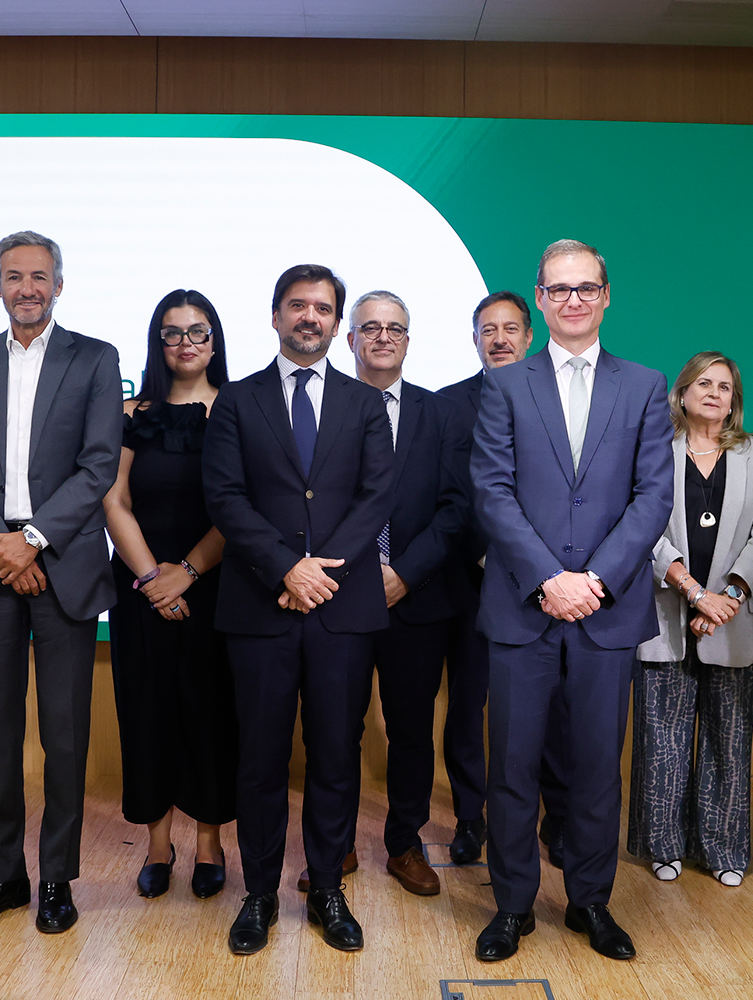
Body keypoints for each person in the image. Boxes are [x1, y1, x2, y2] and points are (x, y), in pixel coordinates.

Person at [470, 240, 675, 963]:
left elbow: (654, 496)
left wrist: (595, 580)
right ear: (540, 298)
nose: (574, 300)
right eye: (559, 289)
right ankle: (512, 907)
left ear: (607, 294)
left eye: (586, 287)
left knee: (595, 769)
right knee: (512, 769)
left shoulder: (645, 385)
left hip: (605, 610)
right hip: (522, 609)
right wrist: (547, 579)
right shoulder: (504, 385)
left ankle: (590, 901)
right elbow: (491, 491)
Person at [0, 231, 123, 934]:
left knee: (65, 739)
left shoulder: (96, 359)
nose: (27, 288)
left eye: (39, 276)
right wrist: (1, 545)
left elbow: (99, 465)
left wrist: (34, 540)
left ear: (59, 285)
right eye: (14, 276)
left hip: (63, 564)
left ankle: (58, 881)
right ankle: (4, 877)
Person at [203, 264, 394, 955]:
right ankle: (258, 894)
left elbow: (377, 496)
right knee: (259, 759)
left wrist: (318, 572)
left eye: (322, 307)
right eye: (297, 305)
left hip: (341, 609)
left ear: (337, 324)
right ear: (276, 315)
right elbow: (224, 497)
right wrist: (286, 567)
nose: (310, 316)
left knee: (336, 755)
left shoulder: (365, 403)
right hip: (261, 606)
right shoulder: (236, 401)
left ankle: (328, 890)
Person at [101, 288, 235, 901]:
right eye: (173, 333)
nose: (186, 343)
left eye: (198, 331)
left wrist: (188, 571)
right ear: (158, 343)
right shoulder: (131, 412)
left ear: (215, 340)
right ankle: (159, 846)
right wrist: (155, 579)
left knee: (212, 715)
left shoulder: (238, 409)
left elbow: (243, 506)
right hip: (141, 585)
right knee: (147, 713)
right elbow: (114, 499)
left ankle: (209, 844)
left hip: (216, 585)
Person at [628, 351, 753, 889]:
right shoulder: (653, 450)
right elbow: (641, 526)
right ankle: (664, 846)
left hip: (734, 615)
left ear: (734, 400)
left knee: (728, 739)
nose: (714, 393)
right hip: (666, 611)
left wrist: (727, 598)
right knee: (662, 740)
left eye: (725, 386)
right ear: (683, 393)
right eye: (704, 383)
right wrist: (694, 593)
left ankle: (724, 849)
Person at [339, 290, 468, 896]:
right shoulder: (326, 407)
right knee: (337, 727)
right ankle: (333, 843)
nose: (383, 336)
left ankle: (405, 843)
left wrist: (404, 573)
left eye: (395, 328)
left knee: (411, 730)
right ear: (350, 340)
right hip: (339, 597)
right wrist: (362, 574)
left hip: (417, 599)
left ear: (409, 341)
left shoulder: (441, 414)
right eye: (370, 327)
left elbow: (456, 507)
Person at [437, 291, 569, 869]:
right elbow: (448, 493)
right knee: (469, 705)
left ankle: (556, 817)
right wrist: (489, 556)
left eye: (510, 328)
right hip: (472, 579)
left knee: (553, 705)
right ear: (474, 340)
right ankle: (472, 817)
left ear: (529, 336)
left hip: (551, 583)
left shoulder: (560, 396)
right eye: (487, 330)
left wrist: (539, 565)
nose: (499, 339)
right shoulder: (447, 405)